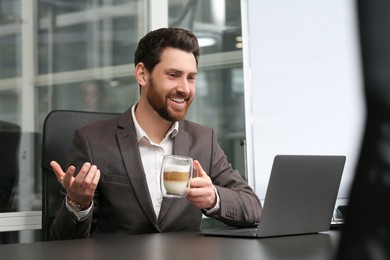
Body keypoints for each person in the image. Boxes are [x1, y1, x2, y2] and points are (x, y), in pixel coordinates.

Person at [49, 27, 262, 240]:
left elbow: (253, 207)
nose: (185, 89)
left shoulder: (204, 140)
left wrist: (213, 198)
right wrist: (78, 204)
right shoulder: (92, 141)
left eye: (191, 78)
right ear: (142, 74)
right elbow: (62, 241)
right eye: (173, 75)